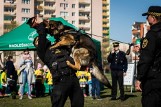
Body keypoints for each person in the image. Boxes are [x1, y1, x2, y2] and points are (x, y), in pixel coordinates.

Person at [27, 16, 84, 107]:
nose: (40, 41)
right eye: (37, 42)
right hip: (60, 81)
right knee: (57, 105)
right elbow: (42, 35)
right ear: (37, 46)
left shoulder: (56, 45)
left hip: (73, 78)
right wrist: (40, 23)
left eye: (39, 39)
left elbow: (66, 39)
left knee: (79, 103)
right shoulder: (42, 51)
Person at [135, 6, 161, 107]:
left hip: (153, 81)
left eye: (148, 16)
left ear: (153, 18)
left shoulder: (151, 35)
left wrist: (139, 79)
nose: (146, 19)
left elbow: (146, 60)